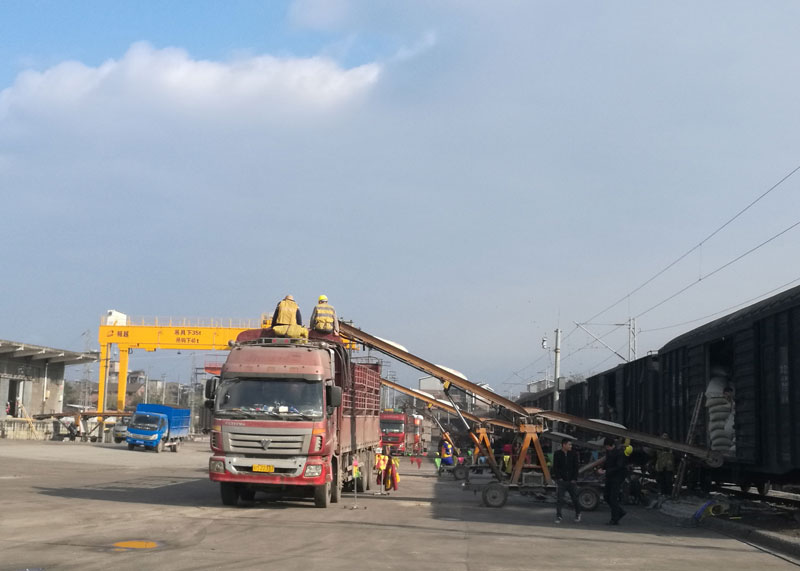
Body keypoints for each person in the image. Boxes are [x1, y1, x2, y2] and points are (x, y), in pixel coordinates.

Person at [598, 437, 627, 525]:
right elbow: (607, 462)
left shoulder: (620, 453)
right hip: (609, 477)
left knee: (613, 498)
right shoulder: (609, 452)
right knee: (606, 496)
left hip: (617, 478)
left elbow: (619, 466)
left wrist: (607, 471)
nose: (607, 448)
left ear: (612, 445)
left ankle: (614, 519)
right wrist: (602, 468)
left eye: (608, 447)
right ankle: (620, 511)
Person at [552, 438, 582, 523]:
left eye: (571, 445)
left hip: (571, 480)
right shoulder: (557, 454)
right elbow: (555, 467)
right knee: (560, 499)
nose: (570, 446)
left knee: (575, 498)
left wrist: (574, 478)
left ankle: (578, 513)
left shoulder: (574, 454)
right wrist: (559, 478)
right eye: (569, 444)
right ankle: (559, 516)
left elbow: (576, 467)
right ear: (564, 445)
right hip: (562, 481)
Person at [655, 433, 675, 499]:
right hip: (661, 466)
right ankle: (663, 492)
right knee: (661, 480)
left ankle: (668, 493)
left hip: (667, 467)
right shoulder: (659, 446)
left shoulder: (670, 446)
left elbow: (670, 456)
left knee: (668, 481)